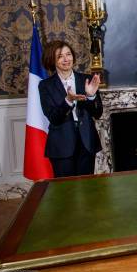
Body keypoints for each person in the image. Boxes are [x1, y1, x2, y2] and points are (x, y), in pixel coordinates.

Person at [39, 41, 103, 177]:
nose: (66, 59)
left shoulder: (86, 79)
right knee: (66, 192)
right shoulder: (45, 86)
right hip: (61, 145)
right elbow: (53, 118)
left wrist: (90, 97)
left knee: (87, 189)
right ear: (52, 60)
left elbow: (98, 113)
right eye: (60, 56)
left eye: (68, 54)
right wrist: (68, 101)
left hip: (86, 142)